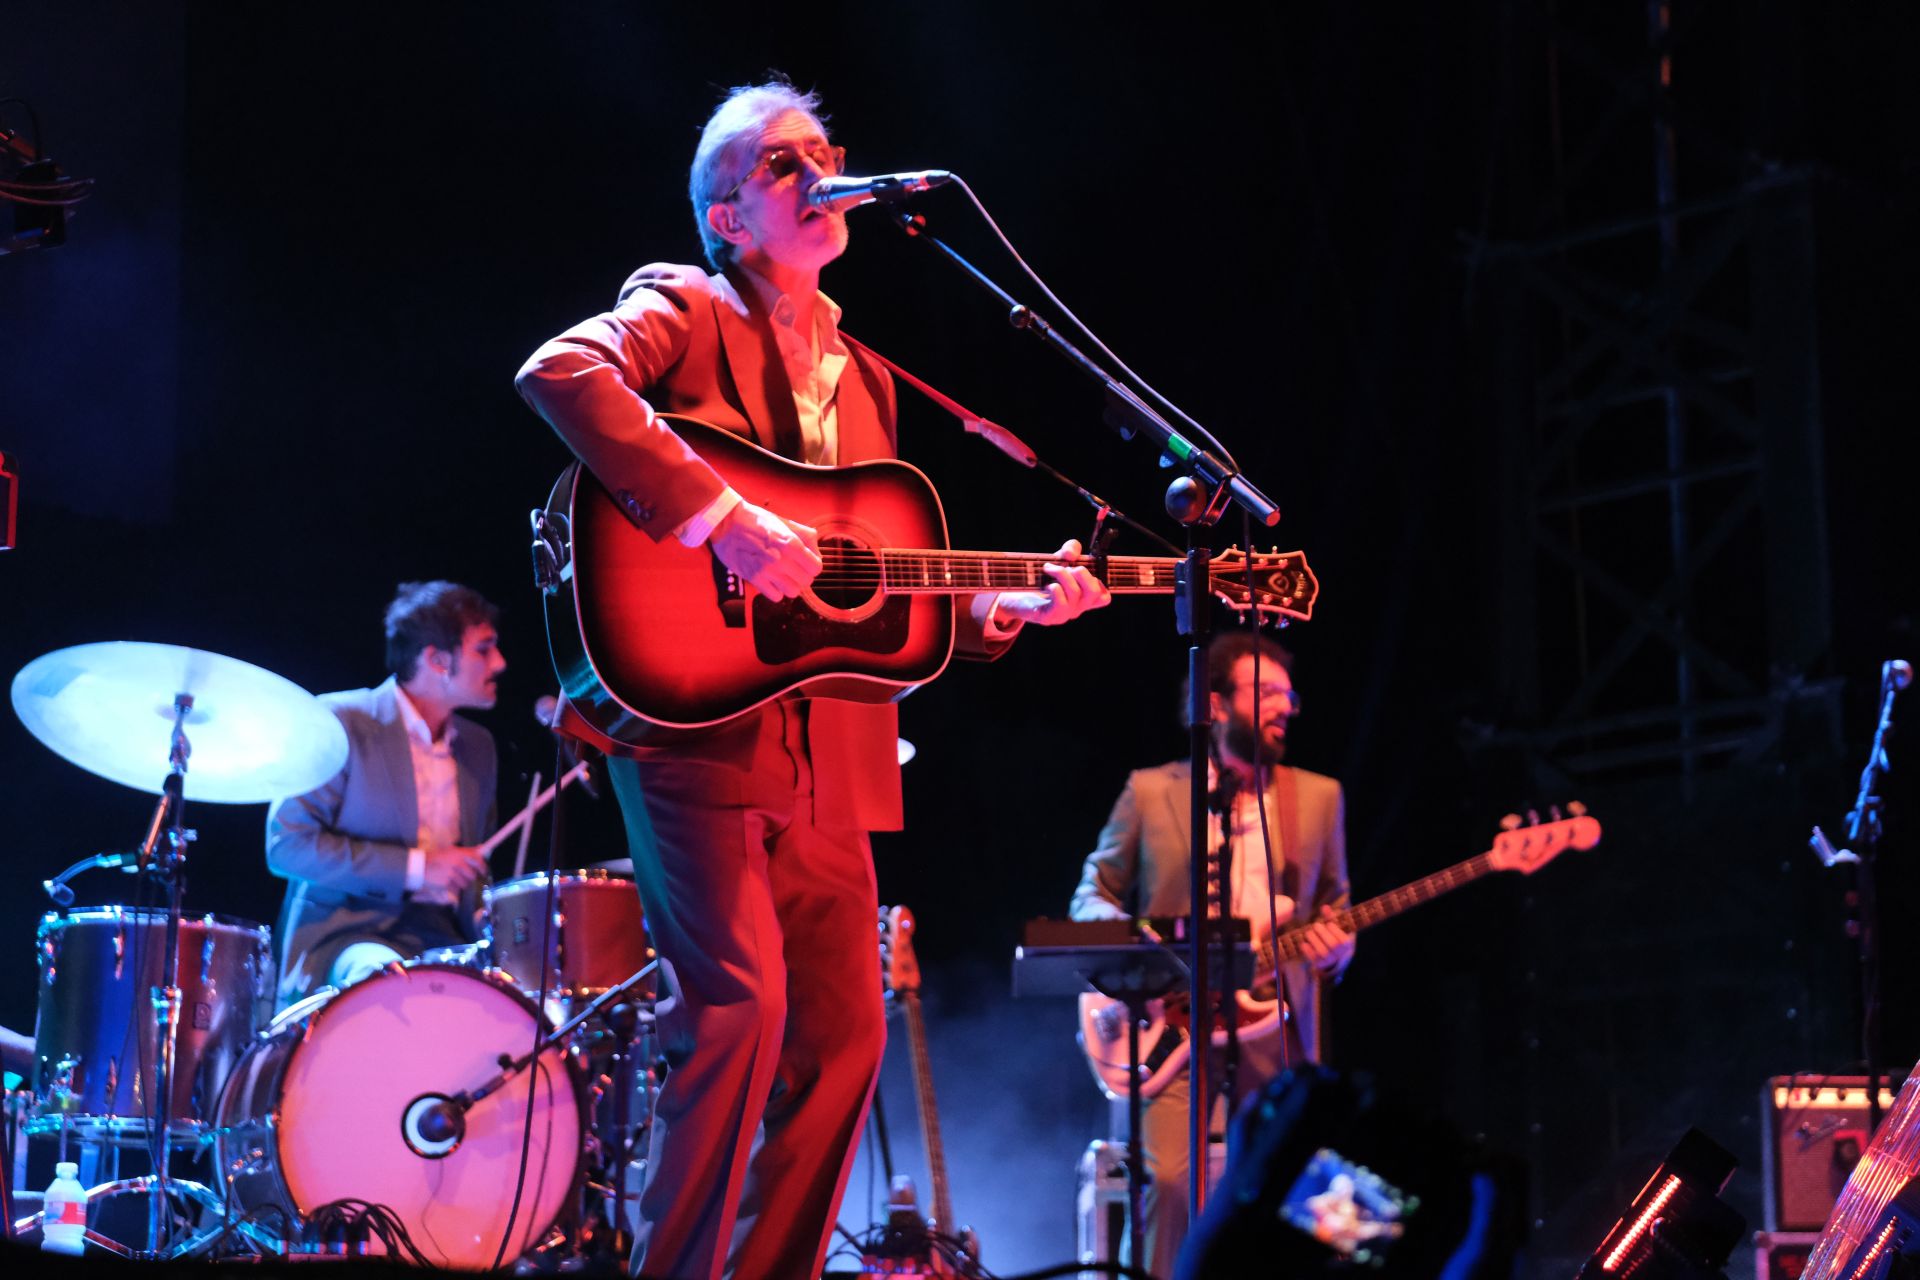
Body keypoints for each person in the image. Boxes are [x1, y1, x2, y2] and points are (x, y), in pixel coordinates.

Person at [515, 79, 1109, 1280]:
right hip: (695, 724)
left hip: (831, 747)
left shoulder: (873, 380)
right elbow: (561, 374)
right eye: (786, 161)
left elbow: (864, 596)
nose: (823, 168)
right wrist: (720, 516)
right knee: (740, 1012)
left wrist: (1000, 609)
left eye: (827, 151)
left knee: (842, 1039)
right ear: (728, 217)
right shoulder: (685, 302)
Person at [1069, 629, 1354, 1279]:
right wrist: (1132, 939)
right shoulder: (1149, 791)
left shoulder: (1320, 797)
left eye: (1290, 694)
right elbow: (1093, 890)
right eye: (1268, 693)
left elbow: (1337, 903)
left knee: (1307, 1182)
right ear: (1216, 706)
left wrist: (1341, 942)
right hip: (1171, 1027)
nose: (1288, 706)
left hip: (1276, 1022)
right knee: (1170, 1183)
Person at [266, 580, 505, 1009]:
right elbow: (288, 846)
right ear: (436, 659)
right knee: (389, 982)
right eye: (483, 649)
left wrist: (490, 917)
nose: (500, 663)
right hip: (349, 933)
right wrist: (417, 869)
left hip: (440, 938)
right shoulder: (341, 722)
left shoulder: (479, 747)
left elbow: (472, 874)